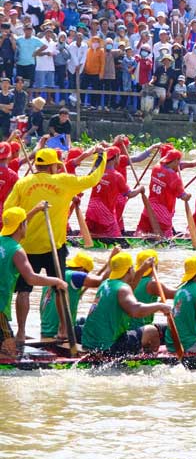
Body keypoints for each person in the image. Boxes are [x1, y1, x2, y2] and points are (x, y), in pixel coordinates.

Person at [4, 145, 105, 344]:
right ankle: (63, 330)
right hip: (53, 246)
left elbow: (8, 209)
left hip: (27, 246)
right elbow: (92, 179)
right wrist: (101, 155)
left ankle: (22, 333)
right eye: (56, 166)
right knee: (61, 287)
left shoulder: (23, 183)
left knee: (24, 290)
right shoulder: (63, 181)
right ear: (52, 167)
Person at [0, 205, 69, 353]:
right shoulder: (17, 250)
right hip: (0, 308)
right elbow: (31, 278)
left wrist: (37, 209)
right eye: (25, 223)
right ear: (21, 226)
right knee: (10, 353)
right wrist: (57, 281)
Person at [79, 251, 172, 355]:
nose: (134, 269)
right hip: (109, 346)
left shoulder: (106, 283)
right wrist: (160, 306)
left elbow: (130, 289)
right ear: (129, 270)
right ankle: (149, 360)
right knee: (152, 331)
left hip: (89, 343)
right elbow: (136, 311)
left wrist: (141, 270)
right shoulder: (123, 288)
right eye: (132, 268)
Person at [39, 249, 111, 340]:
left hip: (45, 330)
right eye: (87, 274)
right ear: (82, 270)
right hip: (57, 331)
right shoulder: (75, 276)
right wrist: (110, 265)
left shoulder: (55, 274)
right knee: (99, 325)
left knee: (82, 320)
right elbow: (100, 281)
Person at [85, 146, 144, 237]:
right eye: (119, 157)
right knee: (117, 238)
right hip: (105, 214)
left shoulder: (96, 171)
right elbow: (130, 194)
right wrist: (140, 189)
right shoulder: (117, 176)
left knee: (88, 234)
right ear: (116, 157)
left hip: (91, 210)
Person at [135, 148, 190, 237]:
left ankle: (142, 237)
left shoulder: (155, 168)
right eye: (179, 161)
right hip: (163, 213)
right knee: (167, 238)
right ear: (176, 160)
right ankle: (155, 238)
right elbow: (184, 197)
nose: (179, 164)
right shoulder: (175, 178)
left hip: (149, 208)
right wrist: (188, 195)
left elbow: (161, 162)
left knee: (141, 229)